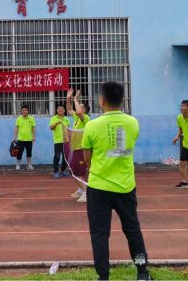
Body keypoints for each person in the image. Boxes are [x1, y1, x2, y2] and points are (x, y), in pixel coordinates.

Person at [82, 82, 150, 281]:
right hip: (125, 186)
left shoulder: (92, 125)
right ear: (122, 100)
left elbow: (87, 159)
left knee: (100, 234)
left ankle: (103, 276)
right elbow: (126, 145)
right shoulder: (133, 123)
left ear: (101, 100)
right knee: (132, 229)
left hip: (99, 187)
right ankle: (142, 272)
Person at [66, 88, 91, 203]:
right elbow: (69, 109)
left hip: (81, 149)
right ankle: (80, 190)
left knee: (79, 172)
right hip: (74, 148)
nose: (78, 108)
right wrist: (68, 98)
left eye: (80, 106)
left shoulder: (85, 118)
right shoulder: (77, 119)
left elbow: (79, 112)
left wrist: (76, 98)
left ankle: (86, 193)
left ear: (85, 110)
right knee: (73, 171)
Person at [49, 105, 70, 178]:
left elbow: (68, 129)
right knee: (57, 157)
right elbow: (51, 128)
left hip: (66, 141)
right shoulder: (53, 118)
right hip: (58, 141)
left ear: (64, 110)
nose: (60, 110)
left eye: (62, 109)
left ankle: (63, 171)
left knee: (65, 157)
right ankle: (55, 171)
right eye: (59, 109)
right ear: (56, 110)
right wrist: (56, 123)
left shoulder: (67, 119)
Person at [13, 105, 36, 171]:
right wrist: (15, 137)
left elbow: (33, 128)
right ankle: (17, 165)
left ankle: (29, 165)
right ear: (21, 111)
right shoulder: (19, 119)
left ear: (28, 111)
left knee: (29, 152)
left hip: (29, 139)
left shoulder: (31, 119)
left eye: (25, 110)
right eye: (23, 110)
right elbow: (16, 128)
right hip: (20, 139)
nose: (24, 111)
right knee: (19, 152)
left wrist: (34, 136)